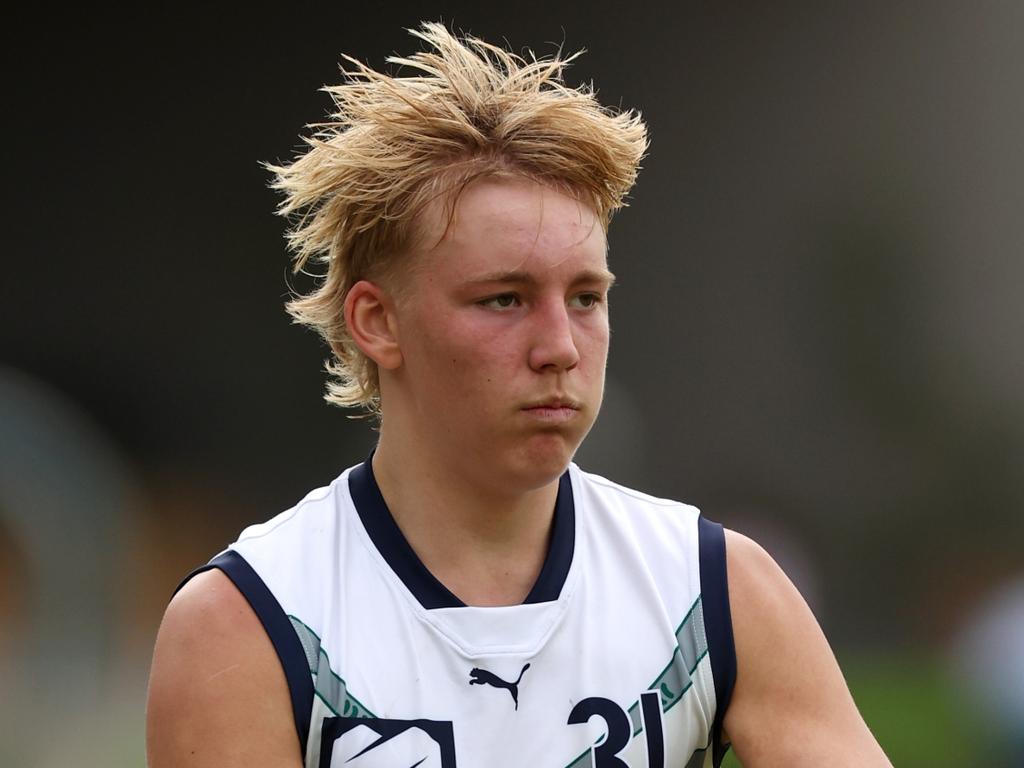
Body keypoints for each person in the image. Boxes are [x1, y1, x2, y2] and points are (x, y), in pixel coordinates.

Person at [146, 23, 891, 767]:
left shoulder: (716, 589)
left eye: (587, 297)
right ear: (377, 322)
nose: (561, 347)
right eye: (504, 299)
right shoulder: (249, 620)